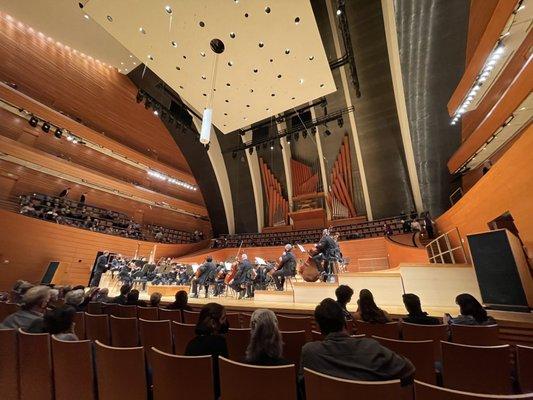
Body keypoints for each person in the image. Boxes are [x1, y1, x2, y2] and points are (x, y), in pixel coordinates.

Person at [300, 298, 414, 384]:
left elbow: (302, 385)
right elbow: (409, 371)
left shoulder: (309, 352)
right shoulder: (372, 348)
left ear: (318, 327)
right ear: (344, 322)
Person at [185, 303, 229, 399]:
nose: (226, 322)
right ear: (213, 323)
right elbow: (224, 377)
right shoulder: (220, 343)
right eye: (223, 318)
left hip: (192, 394)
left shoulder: (191, 344)